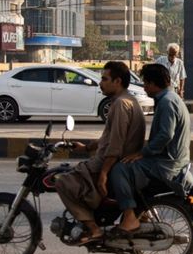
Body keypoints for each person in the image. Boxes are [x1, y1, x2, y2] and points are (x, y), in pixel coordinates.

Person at [54, 61, 144, 244]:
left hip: (107, 163)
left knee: (62, 181)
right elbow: (109, 138)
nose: (100, 83)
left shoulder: (120, 104)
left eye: (104, 79)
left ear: (117, 81)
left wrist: (103, 173)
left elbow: (116, 145)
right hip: (109, 159)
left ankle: (94, 229)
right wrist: (86, 147)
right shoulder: (128, 101)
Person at [109, 63, 190, 234]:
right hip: (170, 160)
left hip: (166, 164)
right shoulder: (171, 98)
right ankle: (142, 213)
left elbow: (165, 135)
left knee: (120, 169)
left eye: (146, 83)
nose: (144, 87)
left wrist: (141, 153)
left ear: (154, 84)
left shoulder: (167, 102)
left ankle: (130, 217)